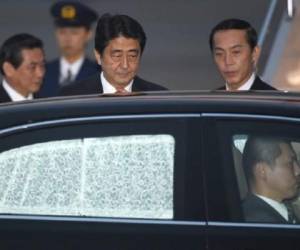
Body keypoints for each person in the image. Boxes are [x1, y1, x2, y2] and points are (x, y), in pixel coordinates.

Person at [61, 13, 167, 96]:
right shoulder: (72, 96)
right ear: (98, 56)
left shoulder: (158, 97)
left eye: (132, 56)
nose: (125, 65)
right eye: (117, 56)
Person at [38, 1, 99, 97]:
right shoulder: (41, 73)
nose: (67, 38)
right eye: (62, 32)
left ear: (88, 34)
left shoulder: (98, 73)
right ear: (56, 33)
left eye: (74, 32)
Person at [242, 136, 300, 223]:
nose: (298, 171)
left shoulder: (282, 208)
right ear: (262, 171)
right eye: (290, 163)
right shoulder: (258, 223)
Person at [209, 18, 276, 91]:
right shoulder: (210, 100)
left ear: (254, 53)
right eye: (219, 54)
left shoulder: (274, 100)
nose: (228, 62)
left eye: (236, 52)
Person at [0, 33, 45, 103]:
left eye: (42, 65)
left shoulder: (47, 102)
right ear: (8, 69)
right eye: (32, 67)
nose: (40, 74)